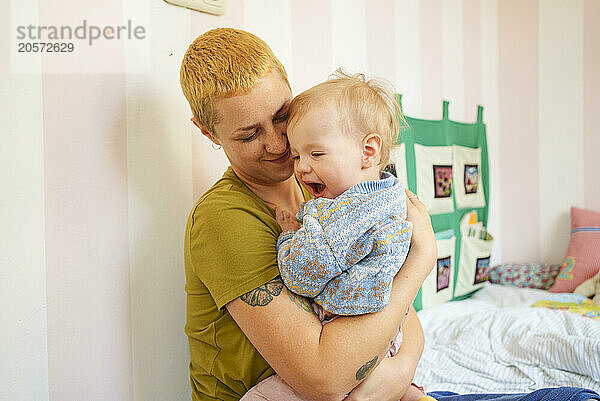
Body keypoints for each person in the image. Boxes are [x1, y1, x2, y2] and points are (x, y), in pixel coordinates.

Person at [180, 27, 438, 401]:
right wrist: (422, 258)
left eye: (282, 115)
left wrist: (398, 374)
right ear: (208, 133)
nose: (278, 144)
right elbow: (325, 380)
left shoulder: (321, 183)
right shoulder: (224, 218)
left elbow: (393, 305)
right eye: (249, 135)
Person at [240, 71, 434, 401]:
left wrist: (289, 236)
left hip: (354, 333)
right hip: (385, 332)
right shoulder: (391, 196)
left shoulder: (346, 212)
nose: (300, 168)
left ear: (368, 152)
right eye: (298, 154)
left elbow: (303, 274)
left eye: (316, 154)